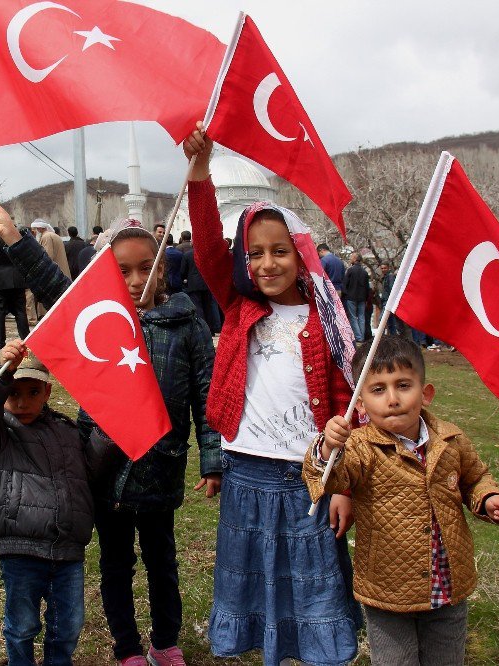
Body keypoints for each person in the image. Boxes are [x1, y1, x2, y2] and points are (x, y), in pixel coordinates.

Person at [0, 204, 221, 666]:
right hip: (104, 468)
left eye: (145, 268)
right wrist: (13, 235)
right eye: (123, 270)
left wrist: (212, 460)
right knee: (116, 564)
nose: (135, 280)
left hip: (161, 465)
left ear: (164, 270)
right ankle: (127, 646)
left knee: (162, 563)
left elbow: (205, 395)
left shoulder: (187, 323)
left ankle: (165, 641)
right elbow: (53, 285)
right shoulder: (99, 312)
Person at [184, 125, 361, 665]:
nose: (267, 264)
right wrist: (199, 173)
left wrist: (344, 484)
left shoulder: (326, 320)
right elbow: (209, 247)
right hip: (248, 473)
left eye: (279, 251)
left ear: (301, 253)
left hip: (309, 477)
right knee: (256, 580)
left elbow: (345, 409)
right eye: (256, 253)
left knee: (311, 580)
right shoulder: (239, 308)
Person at [306, 335, 499, 666]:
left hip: (447, 585)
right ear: (359, 403)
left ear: (425, 393)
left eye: (403, 385)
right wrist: (329, 449)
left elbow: (475, 478)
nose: (392, 398)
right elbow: (333, 477)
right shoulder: (359, 448)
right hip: (387, 590)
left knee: (446, 658)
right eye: (378, 389)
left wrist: (489, 498)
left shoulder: (451, 440)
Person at [0, 344, 94, 665]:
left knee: (69, 626)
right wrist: (0, 372)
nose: (22, 402)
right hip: (20, 549)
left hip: (67, 549)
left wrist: (109, 435)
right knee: (22, 626)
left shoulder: (66, 430)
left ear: (47, 392)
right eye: (12, 393)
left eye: (32, 392)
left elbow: (90, 468)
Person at [0, 228, 30, 352]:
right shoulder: (17, 235)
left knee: (0, 312)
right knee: (20, 311)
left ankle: (0, 341)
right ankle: (26, 339)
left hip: (1, 277)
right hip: (17, 276)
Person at [343, 253, 370, 343]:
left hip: (351, 297)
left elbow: (345, 284)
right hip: (362, 298)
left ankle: (358, 337)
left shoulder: (350, 270)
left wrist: (345, 295)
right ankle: (361, 336)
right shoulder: (365, 272)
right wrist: (366, 299)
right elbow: (367, 287)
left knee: (353, 317)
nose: (350, 259)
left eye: (351, 257)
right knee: (361, 317)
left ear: (354, 259)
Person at [379, 262, 401, 335]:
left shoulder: (390, 277)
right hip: (386, 301)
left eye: (385, 268)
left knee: (382, 319)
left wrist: (389, 301)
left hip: (388, 302)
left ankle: (380, 337)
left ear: (388, 268)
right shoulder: (385, 277)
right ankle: (393, 338)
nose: (383, 270)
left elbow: (392, 289)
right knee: (391, 323)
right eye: (382, 268)